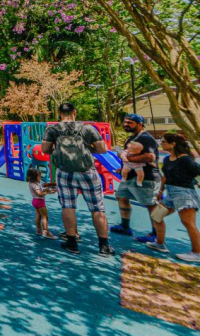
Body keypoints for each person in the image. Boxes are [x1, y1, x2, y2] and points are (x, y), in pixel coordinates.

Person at [41, 102, 114, 256]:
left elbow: (45, 149)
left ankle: (72, 243)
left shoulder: (53, 129)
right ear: (74, 112)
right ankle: (104, 245)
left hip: (64, 171)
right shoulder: (87, 128)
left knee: (68, 206)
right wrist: (87, 149)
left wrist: (59, 151)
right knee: (97, 207)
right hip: (87, 171)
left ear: (60, 114)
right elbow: (103, 149)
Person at [110, 113, 163, 246]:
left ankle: (155, 233)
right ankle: (125, 226)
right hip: (129, 176)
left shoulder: (146, 138)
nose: (126, 124)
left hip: (146, 177)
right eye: (125, 122)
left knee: (151, 204)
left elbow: (150, 157)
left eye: (130, 123)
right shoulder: (131, 138)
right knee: (121, 197)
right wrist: (123, 166)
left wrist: (128, 159)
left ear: (140, 124)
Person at [156, 132, 200, 262]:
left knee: (188, 223)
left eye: (164, 141)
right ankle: (159, 244)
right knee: (156, 216)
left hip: (184, 193)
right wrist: (161, 190)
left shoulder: (185, 159)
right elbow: (165, 176)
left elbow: (197, 170)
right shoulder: (167, 159)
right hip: (170, 193)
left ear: (173, 144)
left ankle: (197, 253)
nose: (161, 143)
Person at [27, 168, 57, 239]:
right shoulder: (35, 185)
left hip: (35, 201)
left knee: (38, 215)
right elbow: (40, 194)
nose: (40, 177)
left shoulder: (32, 183)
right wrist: (47, 192)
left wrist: (47, 191)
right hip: (40, 201)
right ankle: (46, 231)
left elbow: (40, 191)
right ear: (35, 177)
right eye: (39, 176)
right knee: (45, 216)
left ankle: (39, 229)